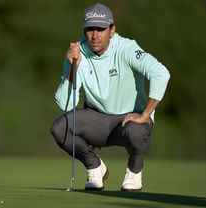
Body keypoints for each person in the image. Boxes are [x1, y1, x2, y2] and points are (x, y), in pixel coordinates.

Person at [51, 3, 170, 191]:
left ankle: (134, 170)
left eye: (101, 29)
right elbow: (66, 105)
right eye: (90, 29)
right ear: (84, 31)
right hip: (97, 121)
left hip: (129, 120)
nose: (95, 35)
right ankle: (95, 166)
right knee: (60, 128)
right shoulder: (76, 53)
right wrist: (72, 68)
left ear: (112, 29)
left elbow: (161, 73)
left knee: (135, 132)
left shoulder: (126, 48)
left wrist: (145, 115)